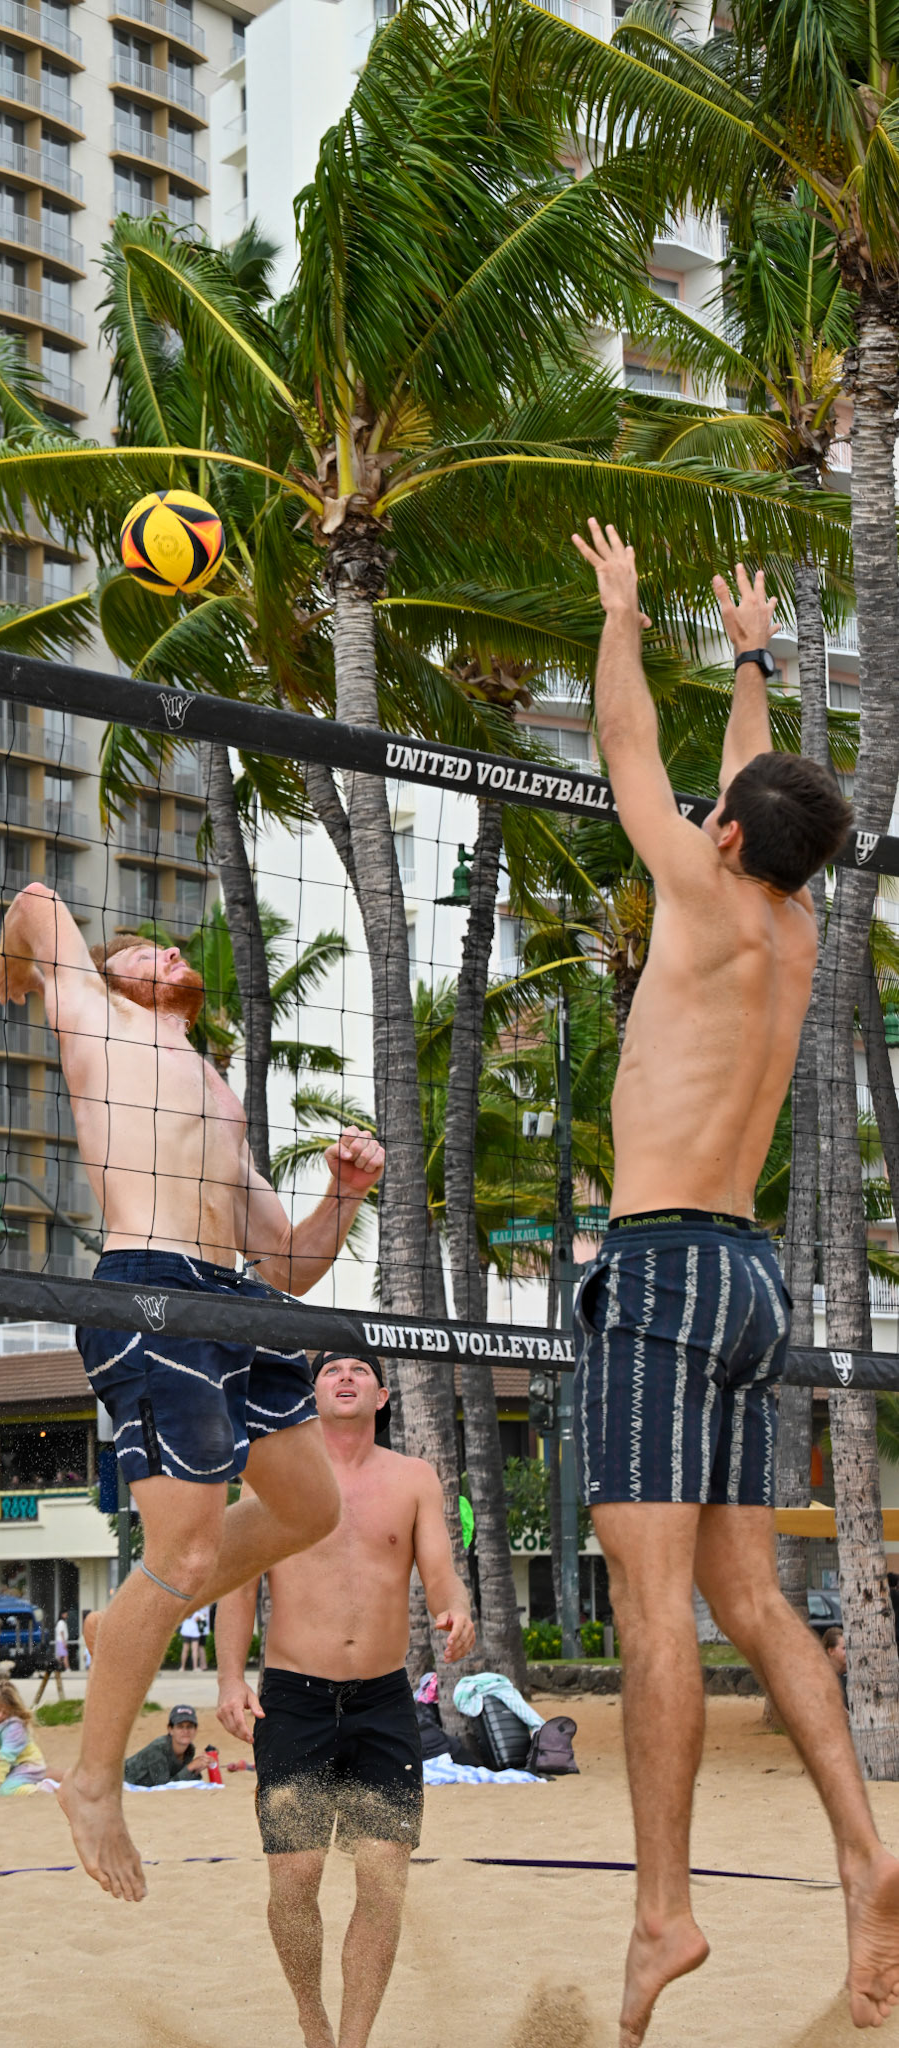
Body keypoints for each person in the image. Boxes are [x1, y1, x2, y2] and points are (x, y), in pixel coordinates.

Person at [571, 521, 899, 2046]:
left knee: (654, 1617)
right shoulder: (795, 916)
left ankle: (663, 1911)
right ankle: (864, 1851)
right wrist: (754, 657)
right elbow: (747, 789)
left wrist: (624, 617)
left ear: (718, 843)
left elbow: (628, 745)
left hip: (656, 1267)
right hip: (750, 1280)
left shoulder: (698, 896)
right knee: (750, 1599)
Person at [0, 892, 384, 1901]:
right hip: (147, 1287)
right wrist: (19, 964)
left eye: (169, 946)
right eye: (144, 949)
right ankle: (93, 1781)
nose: (167, 951)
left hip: (234, 1297)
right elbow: (35, 902)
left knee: (310, 1505)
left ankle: (133, 1612)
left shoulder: (216, 1091)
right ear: (107, 980)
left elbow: (285, 1263)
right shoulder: (96, 1020)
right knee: (188, 1550)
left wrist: (342, 1194)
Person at [216, 1351, 475, 2048]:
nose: (345, 1377)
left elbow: (441, 1573)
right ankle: (313, 2020)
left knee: (383, 1882)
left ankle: (353, 2043)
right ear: (313, 1394)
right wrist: (230, 1679)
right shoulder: (272, 1475)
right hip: (293, 1700)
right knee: (295, 1880)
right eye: (332, 1371)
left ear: (381, 1395)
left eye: (359, 1369)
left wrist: (455, 1608)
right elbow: (238, 1582)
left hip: (382, 1702)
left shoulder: (413, 1478)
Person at [0, 1678, 55, 1795]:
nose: (0, 1715)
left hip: (28, 1765)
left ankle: (45, 1787)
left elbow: (5, 1758)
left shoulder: (16, 1726)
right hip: (8, 1768)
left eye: (6, 1712)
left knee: (5, 1791)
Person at [123, 1705, 207, 1787]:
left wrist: (198, 1768)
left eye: (189, 1727)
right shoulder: (158, 1749)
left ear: (195, 1730)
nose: (185, 1731)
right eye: (180, 1726)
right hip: (121, 1776)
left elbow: (182, 1778)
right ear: (170, 1729)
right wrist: (190, 1767)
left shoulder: (190, 1749)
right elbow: (164, 1786)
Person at [178, 1605, 210, 1673]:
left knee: (185, 1650)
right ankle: (195, 1667)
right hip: (194, 1633)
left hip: (185, 1632)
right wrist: (202, 1617)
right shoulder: (197, 1613)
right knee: (194, 1650)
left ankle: (182, 1667)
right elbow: (203, 1618)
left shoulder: (185, 1611)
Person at [823, 1626, 849, 1702]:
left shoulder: (847, 1676)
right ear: (831, 1651)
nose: (849, 1652)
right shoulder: (823, 1679)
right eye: (844, 1648)